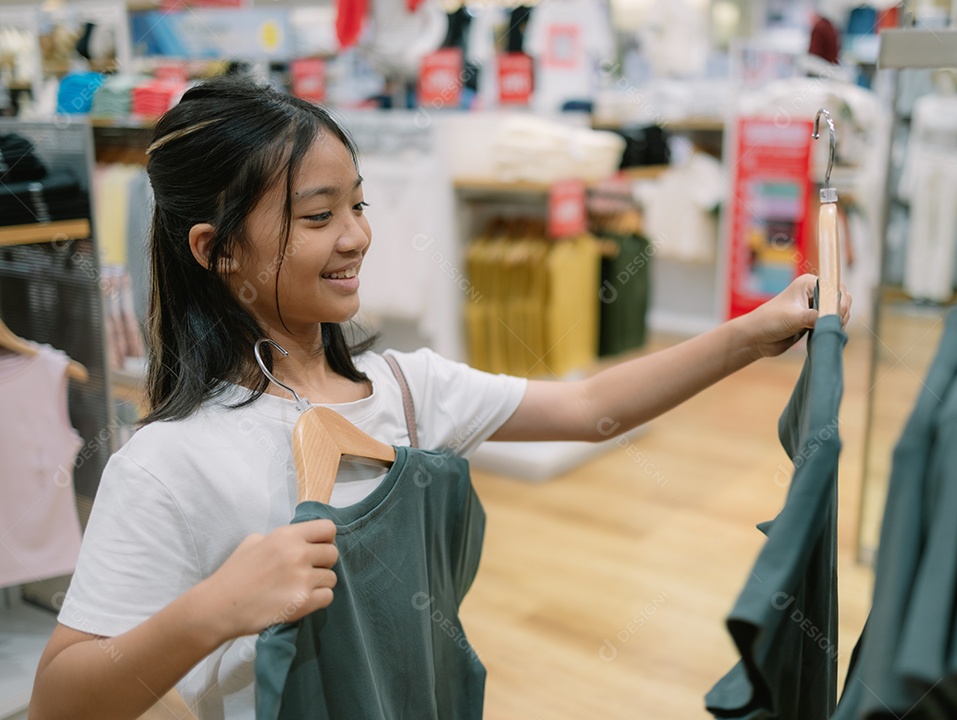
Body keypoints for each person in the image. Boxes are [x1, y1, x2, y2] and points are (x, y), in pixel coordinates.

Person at [28, 77, 850, 720]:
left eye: (357, 204)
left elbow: (591, 406)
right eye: (319, 216)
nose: (356, 236)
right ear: (216, 250)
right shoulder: (169, 463)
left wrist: (753, 333)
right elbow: (60, 700)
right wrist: (214, 609)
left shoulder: (408, 391)